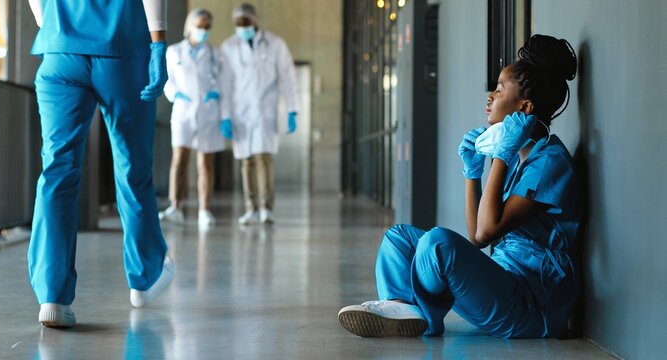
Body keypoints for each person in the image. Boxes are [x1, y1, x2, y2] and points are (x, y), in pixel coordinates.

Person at [338, 34, 580, 338]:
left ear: (525, 107)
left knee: (438, 244)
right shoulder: (519, 157)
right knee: (398, 238)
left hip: (530, 305)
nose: (490, 97)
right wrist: (472, 171)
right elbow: (476, 238)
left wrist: (500, 155)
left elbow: (485, 231)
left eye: (500, 90)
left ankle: (419, 313)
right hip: (500, 283)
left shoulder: (549, 161)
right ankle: (403, 307)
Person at [27, 0, 175, 328]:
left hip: (59, 50)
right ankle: (144, 277)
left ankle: (52, 295)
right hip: (122, 49)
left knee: (57, 169)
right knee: (132, 165)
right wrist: (158, 43)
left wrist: (53, 25)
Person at [220, 3, 299, 225]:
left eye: (246, 23)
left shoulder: (275, 44)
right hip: (240, 112)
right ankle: (250, 208)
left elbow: (288, 77)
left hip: (266, 110)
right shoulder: (228, 47)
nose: (242, 27)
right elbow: (224, 84)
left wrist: (293, 109)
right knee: (246, 162)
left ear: (255, 22)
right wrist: (225, 115)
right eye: (239, 24)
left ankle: (266, 208)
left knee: (264, 159)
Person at [158, 8, 230, 228]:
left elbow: (222, 80)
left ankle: (204, 210)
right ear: (190, 25)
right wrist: (173, 94)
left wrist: (215, 92)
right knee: (179, 160)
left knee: (205, 163)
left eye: (207, 26)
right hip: (183, 112)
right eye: (200, 26)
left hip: (207, 112)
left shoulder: (215, 54)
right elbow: (166, 79)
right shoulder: (174, 52)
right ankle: (175, 206)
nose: (204, 30)